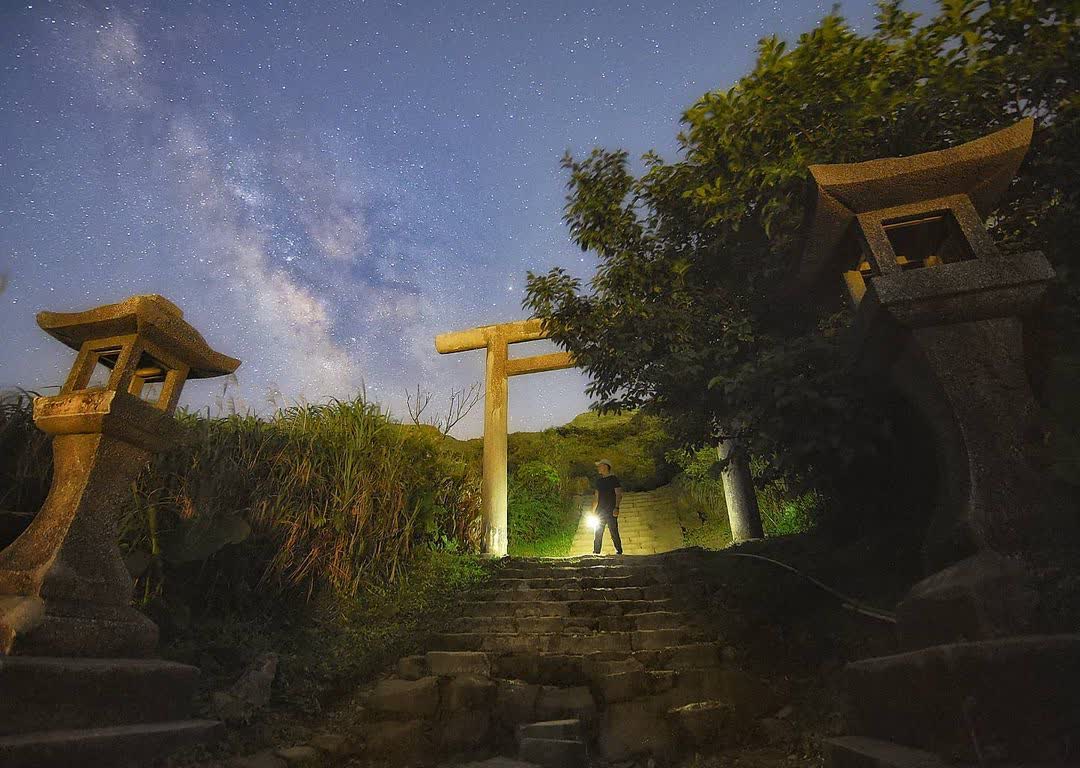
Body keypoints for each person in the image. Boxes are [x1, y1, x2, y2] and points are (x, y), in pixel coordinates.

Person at [591, 458, 623, 555]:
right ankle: (596, 552)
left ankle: (619, 551)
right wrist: (592, 511)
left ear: (605, 466)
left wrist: (617, 507)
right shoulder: (599, 481)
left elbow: (618, 494)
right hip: (600, 512)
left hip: (610, 510)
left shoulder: (613, 479)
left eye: (600, 466)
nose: (598, 468)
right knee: (598, 533)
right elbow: (596, 497)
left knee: (613, 531)